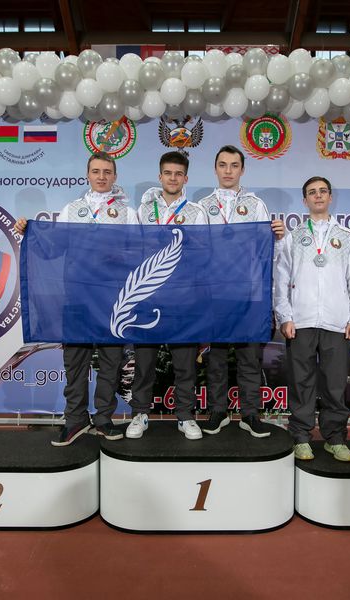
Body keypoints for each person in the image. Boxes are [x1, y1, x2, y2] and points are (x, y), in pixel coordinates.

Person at [16, 152, 138, 446]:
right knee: (75, 362)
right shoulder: (72, 209)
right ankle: (75, 420)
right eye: (96, 171)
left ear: (115, 176)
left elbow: (138, 252)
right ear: (87, 175)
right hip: (77, 296)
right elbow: (53, 247)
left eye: (107, 172)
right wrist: (30, 232)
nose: (101, 177)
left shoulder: (128, 213)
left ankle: (104, 419)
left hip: (112, 299)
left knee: (111, 362)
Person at [273, 177, 350, 462]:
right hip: (300, 322)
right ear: (304, 200)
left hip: (337, 323)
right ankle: (300, 438)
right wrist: (285, 316)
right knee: (301, 383)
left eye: (322, 192)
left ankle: (335, 439)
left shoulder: (346, 236)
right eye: (311, 193)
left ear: (330, 197)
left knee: (335, 385)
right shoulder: (293, 237)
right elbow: (280, 281)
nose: (317, 196)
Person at [196, 145, 285, 438]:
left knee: (249, 358)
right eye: (223, 165)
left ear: (242, 170)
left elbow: (267, 252)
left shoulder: (256, 204)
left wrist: (278, 237)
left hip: (248, 293)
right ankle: (217, 412)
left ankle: (250, 414)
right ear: (215, 168)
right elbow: (197, 249)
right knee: (217, 358)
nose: (228, 171)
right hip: (215, 293)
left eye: (234, 165)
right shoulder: (202, 206)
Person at [126, 151, 208, 441]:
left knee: (185, 363)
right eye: (168, 173)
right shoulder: (143, 211)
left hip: (183, 297)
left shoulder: (197, 212)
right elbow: (133, 247)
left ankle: (185, 416)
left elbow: (204, 253)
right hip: (147, 295)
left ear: (185, 178)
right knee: (144, 362)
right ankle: (140, 413)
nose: (173, 178)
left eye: (178, 174)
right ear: (160, 176)